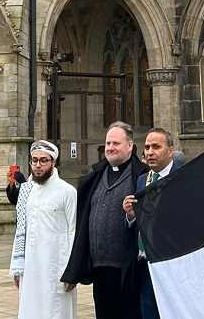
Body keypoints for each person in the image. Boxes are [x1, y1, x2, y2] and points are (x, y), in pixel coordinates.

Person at [62, 121, 147, 319]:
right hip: (100, 267)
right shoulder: (95, 177)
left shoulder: (141, 176)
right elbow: (82, 225)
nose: (110, 148)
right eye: (108, 143)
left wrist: (132, 217)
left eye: (116, 143)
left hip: (129, 269)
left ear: (130, 146)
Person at [10, 140, 78, 319]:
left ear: (53, 162)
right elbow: (20, 231)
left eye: (43, 160)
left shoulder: (67, 192)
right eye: (34, 160)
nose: (38, 165)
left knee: (56, 311)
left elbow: (74, 232)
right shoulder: (26, 191)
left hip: (57, 268)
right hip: (31, 267)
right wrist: (17, 267)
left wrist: (72, 272)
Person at [122, 128, 182, 319]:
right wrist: (131, 215)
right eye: (147, 147)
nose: (149, 152)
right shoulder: (142, 180)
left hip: (173, 263)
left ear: (170, 150)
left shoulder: (182, 177)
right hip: (146, 263)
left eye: (156, 147)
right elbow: (139, 221)